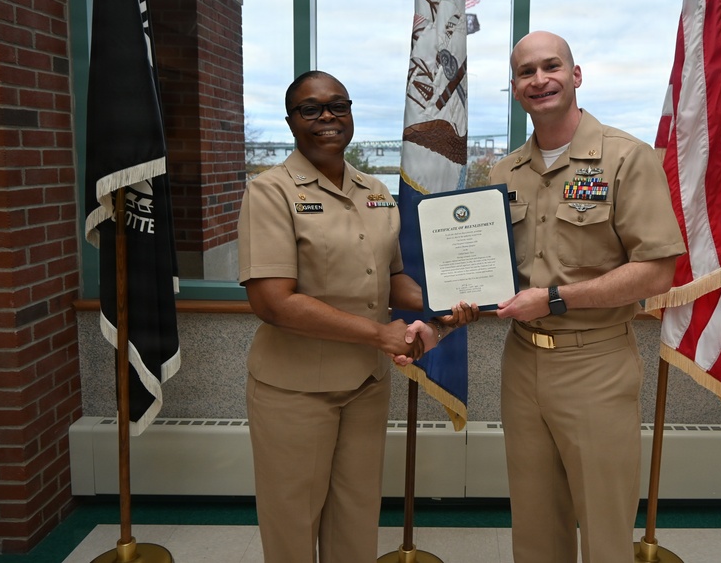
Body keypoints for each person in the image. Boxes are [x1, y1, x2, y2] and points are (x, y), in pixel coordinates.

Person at [237, 70, 477, 563]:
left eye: (338, 106)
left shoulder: (375, 191)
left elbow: (391, 280)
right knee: (292, 529)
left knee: (356, 521)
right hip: (295, 391)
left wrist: (448, 301)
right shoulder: (270, 192)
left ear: (350, 115)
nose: (327, 116)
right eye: (311, 108)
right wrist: (379, 335)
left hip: (364, 387)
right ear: (290, 122)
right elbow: (272, 302)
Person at [488, 31, 686, 563]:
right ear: (515, 88)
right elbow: (487, 274)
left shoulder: (626, 159)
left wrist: (554, 300)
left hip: (595, 362)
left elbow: (656, 271)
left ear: (576, 75)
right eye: (526, 72)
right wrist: (444, 313)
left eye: (551, 66)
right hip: (522, 360)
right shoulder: (503, 174)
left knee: (603, 524)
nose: (540, 79)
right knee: (534, 523)